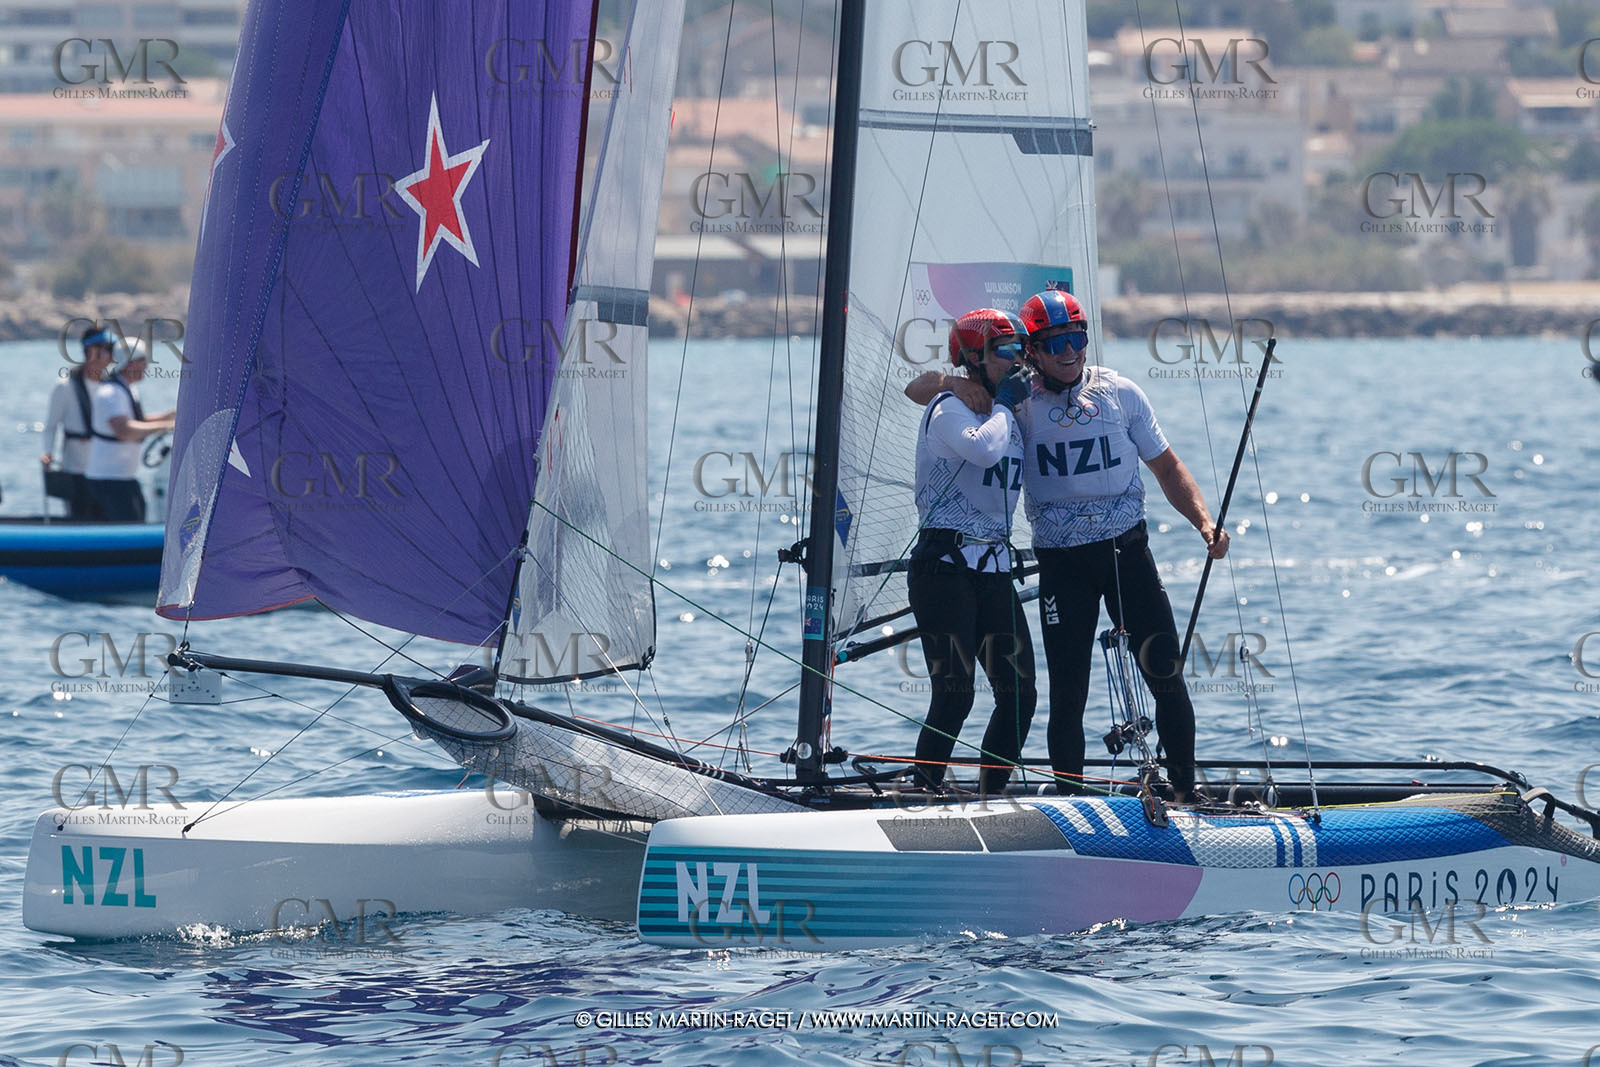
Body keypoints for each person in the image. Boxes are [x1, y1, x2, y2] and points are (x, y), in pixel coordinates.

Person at [905, 288, 1227, 801]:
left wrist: (1205, 524)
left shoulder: (1119, 393)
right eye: (1053, 343)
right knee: (1066, 695)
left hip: (1127, 555)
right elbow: (920, 389)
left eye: (1076, 339)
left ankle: (1188, 792)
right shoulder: (1013, 399)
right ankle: (1070, 800)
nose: (1068, 352)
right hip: (1062, 566)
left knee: (1165, 675)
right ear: (1032, 351)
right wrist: (952, 380)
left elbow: (1167, 467)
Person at [907, 308, 1037, 795]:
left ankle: (990, 799)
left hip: (994, 571)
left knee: (1021, 695)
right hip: (943, 570)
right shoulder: (949, 408)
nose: (1017, 360)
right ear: (974, 359)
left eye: (1020, 350)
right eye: (1005, 352)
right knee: (955, 694)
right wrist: (999, 405)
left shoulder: (1012, 410)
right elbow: (983, 450)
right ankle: (923, 791)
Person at [82, 340, 176, 522]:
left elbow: (138, 422)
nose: (147, 367)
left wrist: (172, 415)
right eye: (144, 361)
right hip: (108, 482)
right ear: (131, 363)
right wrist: (167, 426)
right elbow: (125, 430)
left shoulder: (127, 389)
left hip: (123, 479)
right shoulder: (110, 393)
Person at [41, 326, 116, 518]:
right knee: (80, 518)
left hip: (106, 470)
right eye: (106, 349)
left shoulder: (112, 385)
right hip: (77, 469)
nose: (110, 355)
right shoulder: (65, 386)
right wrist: (47, 453)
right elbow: (51, 426)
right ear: (90, 351)